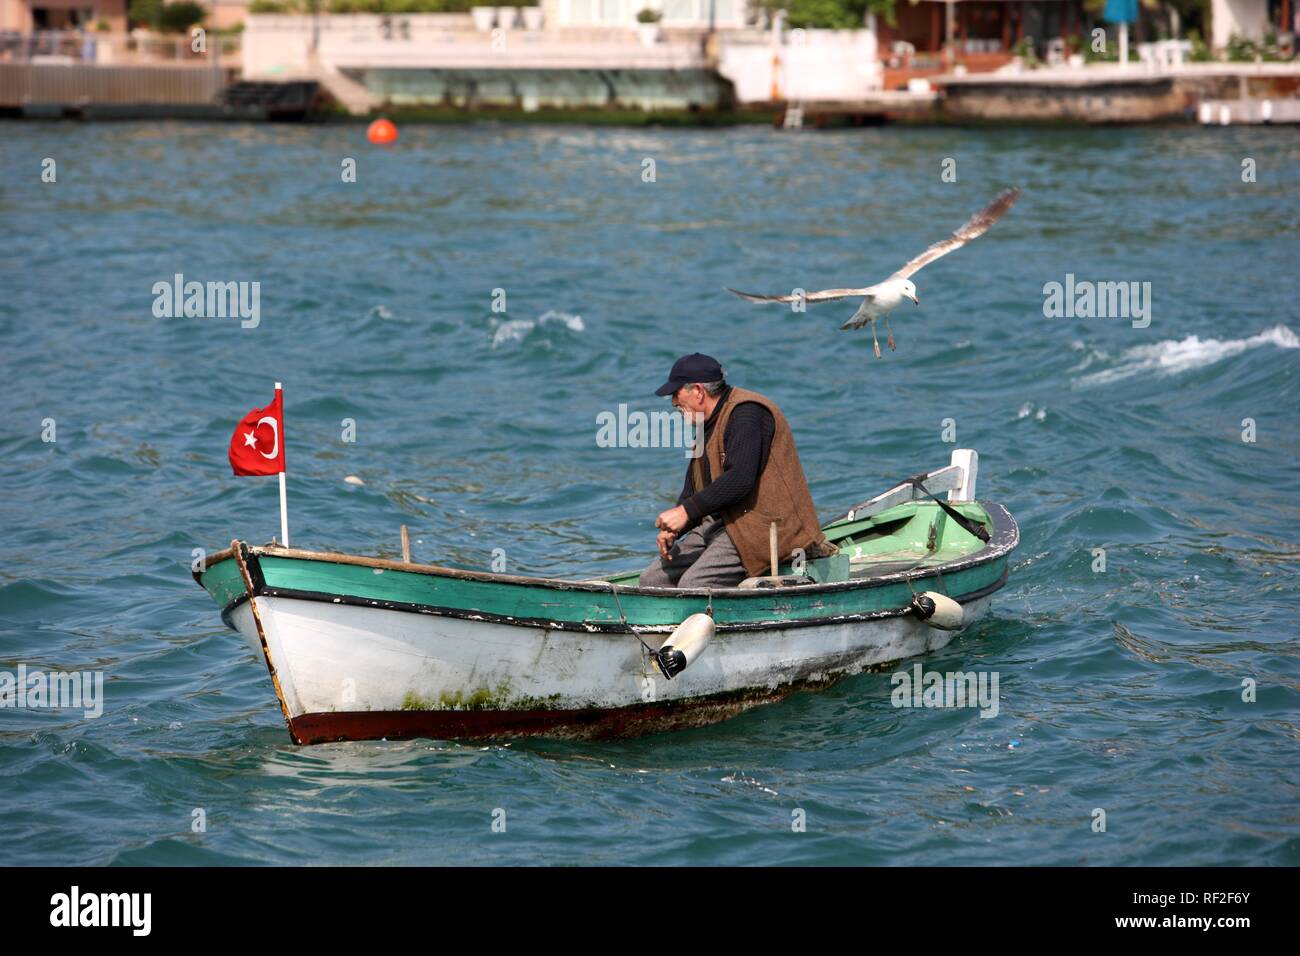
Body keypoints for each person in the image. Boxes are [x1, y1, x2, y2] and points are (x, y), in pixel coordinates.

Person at [640, 353, 835, 589]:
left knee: (694, 583)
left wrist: (686, 511)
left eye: (676, 394)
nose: (673, 403)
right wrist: (676, 526)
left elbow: (740, 479)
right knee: (652, 579)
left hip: (763, 528)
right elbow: (694, 490)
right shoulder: (704, 426)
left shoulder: (747, 414)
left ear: (699, 391)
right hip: (721, 525)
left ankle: (715, 623)